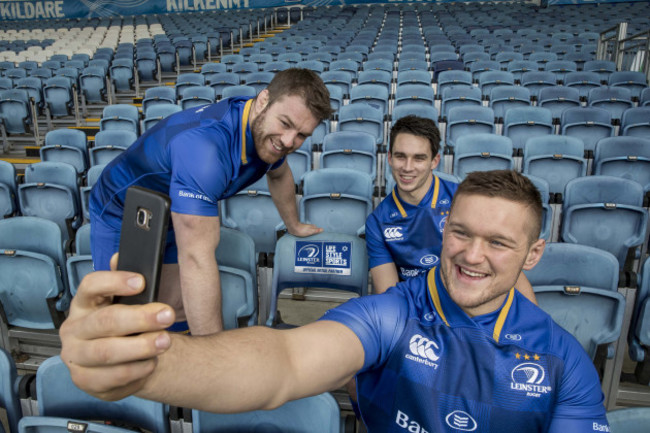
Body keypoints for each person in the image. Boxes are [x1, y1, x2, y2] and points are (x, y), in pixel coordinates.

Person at [61, 170, 608, 433]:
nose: (471, 255)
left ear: (533, 254)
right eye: (460, 233)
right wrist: (146, 363)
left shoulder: (564, 362)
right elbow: (284, 362)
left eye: (498, 243)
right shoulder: (395, 312)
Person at [88, 68, 332, 335]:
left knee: (177, 309)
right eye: (285, 124)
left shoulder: (266, 132)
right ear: (263, 100)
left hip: (172, 211)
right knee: (125, 314)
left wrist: (293, 225)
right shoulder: (205, 149)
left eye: (302, 135)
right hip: (123, 212)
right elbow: (196, 258)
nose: (288, 141)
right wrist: (214, 358)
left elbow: (280, 174)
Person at [367, 116, 536, 303]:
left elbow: (506, 266)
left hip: (474, 299)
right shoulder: (378, 221)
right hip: (418, 307)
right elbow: (388, 295)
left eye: (419, 158)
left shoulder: (464, 200)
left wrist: (535, 324)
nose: (407, 167)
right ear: (389, 158)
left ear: (434, 161)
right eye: (401, 156)